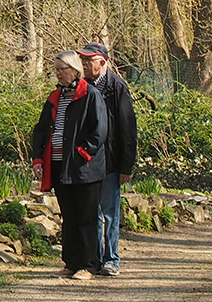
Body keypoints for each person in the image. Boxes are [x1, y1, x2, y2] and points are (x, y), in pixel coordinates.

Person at [29, 50, 110, 280]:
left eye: (61, 70)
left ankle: (89, 265)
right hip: (59, 166)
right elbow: (41, 130)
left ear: (74, 70)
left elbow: (99, 131)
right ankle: (72, 262)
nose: (57, 74)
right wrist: (37, 159)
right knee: (69, 216)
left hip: (84, 169)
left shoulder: (90, 95)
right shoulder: (55, 97)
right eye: (55, 70)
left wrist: (82, 154)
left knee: (86, 216)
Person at [80, 40, 137, 276]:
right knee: (92, 212)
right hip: (89, 161)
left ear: (101, 62)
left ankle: (112, 259)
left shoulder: (117, 87)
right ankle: (95, 258)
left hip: (112, 162)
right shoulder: (82, 87)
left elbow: (128, 128)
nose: (83, 64)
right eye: (82, 60)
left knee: (110, 212)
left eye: (88, 60)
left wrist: (126, 165)